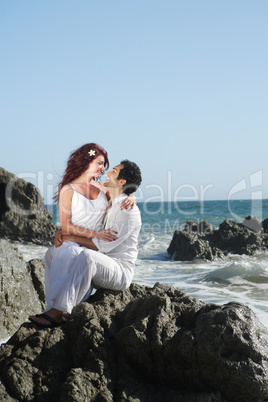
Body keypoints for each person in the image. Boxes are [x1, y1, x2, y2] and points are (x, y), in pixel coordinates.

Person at [29, 159, 142, 328]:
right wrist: (65, 233)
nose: (108, 172)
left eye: (114, 171)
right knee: (53, 252)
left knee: (86, 256)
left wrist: (70, 237)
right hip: (101, 264)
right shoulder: (112, 201)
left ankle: (59, 312)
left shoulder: (127, 210)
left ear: (122, 182)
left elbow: (101, 246)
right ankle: (52, 305)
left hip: (119, 270)